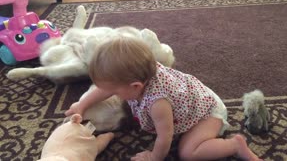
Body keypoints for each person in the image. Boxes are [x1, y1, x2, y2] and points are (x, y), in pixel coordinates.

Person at [65, 33, 261, 161]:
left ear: (135, 86)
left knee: (188, 153)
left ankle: (234, 145)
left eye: (116, 91)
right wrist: (82, 105)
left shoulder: (157, 103)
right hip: (193, 98)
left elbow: (165, 136)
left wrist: (153, 157)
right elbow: (104, 88)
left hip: (207, 113)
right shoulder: (138, 75)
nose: (112, 94)